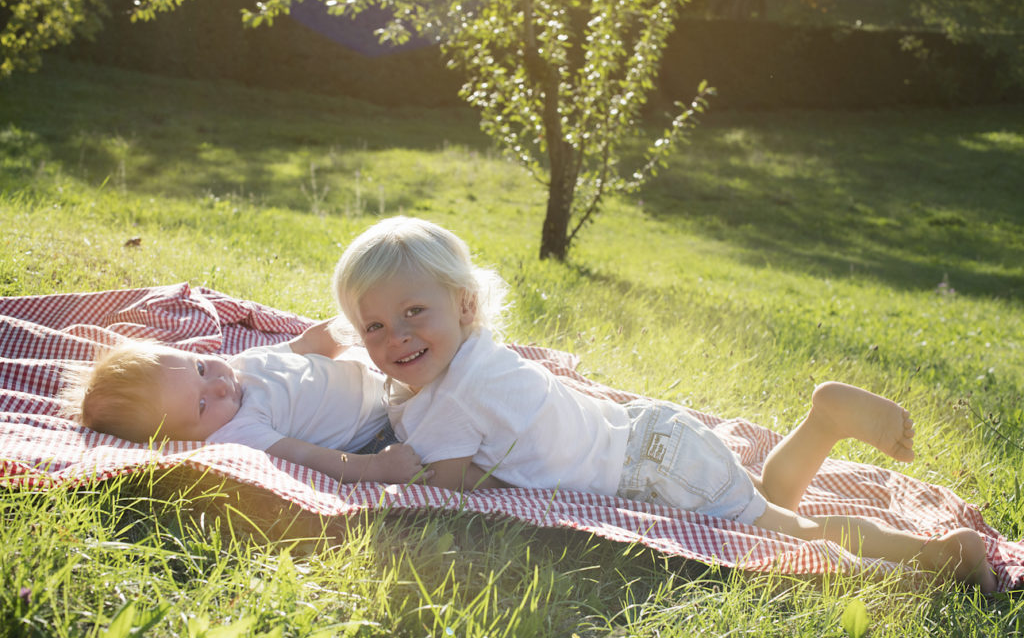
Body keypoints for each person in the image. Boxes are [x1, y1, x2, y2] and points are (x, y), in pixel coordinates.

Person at [331, 215, 996, 591]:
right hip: (658, 439)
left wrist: (371, 462)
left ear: (465, 306)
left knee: (793, 532)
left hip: (653, 471)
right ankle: (824, 421)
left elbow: (447, 486)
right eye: (377, 327)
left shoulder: (449, 397)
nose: (400, 336)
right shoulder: (482, 353)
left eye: (415, 311)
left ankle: (936, 557)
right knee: (767, 505)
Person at [61, 318, 431, 485]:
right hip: (381, 431)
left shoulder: (242, 364)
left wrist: (353, 322)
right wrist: (377, 469)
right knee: (456, 436)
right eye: (202, 406)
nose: (219, 385)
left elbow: (308, 346)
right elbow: (313, 459)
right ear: (181, 438)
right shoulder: (239, 433)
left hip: (382, 375)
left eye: (201, 367)